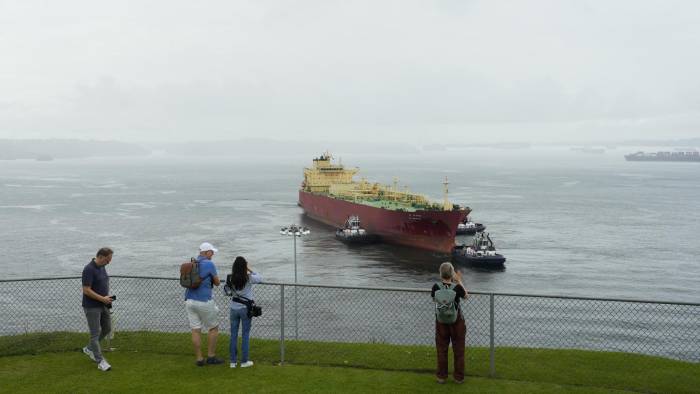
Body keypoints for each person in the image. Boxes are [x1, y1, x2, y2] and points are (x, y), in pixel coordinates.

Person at [185, 242, 223, 366]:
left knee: (195, 330)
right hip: (204, 300)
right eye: (211, 252)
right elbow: (217, 282)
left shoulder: (193, 263)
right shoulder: (209, 264)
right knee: (213, 328)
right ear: (206, 252)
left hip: (189, 300)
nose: (213, 254)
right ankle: (211, 356)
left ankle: (199, 359)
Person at [431, 262, 468, 384]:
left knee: (441, 349)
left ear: (440, 273)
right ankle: (458, 377)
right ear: (452, 274)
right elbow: (466, 296)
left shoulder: (435, 287)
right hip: (456, 322)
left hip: (441, 321)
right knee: (459, 350)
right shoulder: (457, 288)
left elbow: (434, 299)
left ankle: (441, 377)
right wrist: (459, 281)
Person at [81, 247, 114, 372]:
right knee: (95, 334)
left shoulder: (102, 266)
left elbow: (102, 283)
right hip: (92, 306)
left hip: (103, 303)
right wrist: (102, 299)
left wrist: (106, 299)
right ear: (100, 256)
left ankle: (89, 349)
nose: (109, 262)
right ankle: (100, 361)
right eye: (107, 259)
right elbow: (86, 290)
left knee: (107, 328)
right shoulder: (88, 269)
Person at [226, 256, 262, 368]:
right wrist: (250, 269)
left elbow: (226, 292)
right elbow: (260, 278)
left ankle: (232, 361)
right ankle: (244, 361)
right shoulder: (249, 277)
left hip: (233, 308)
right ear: (244, 267)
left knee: (233, 335)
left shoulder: (230, 278)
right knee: (245, 335)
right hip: (245, 309)